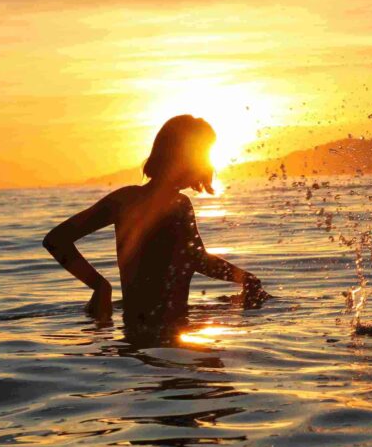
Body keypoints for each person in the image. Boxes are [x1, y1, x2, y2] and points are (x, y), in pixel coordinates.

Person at [43, 115, 268, 327]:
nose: (208, 162)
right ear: (184, 156)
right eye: (204, 153)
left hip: (134, 333)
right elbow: (199, 260)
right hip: (166, 334)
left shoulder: (124, 200)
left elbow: (56, 240)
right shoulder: (177, 206)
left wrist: (100, 286)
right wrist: (245, 279)